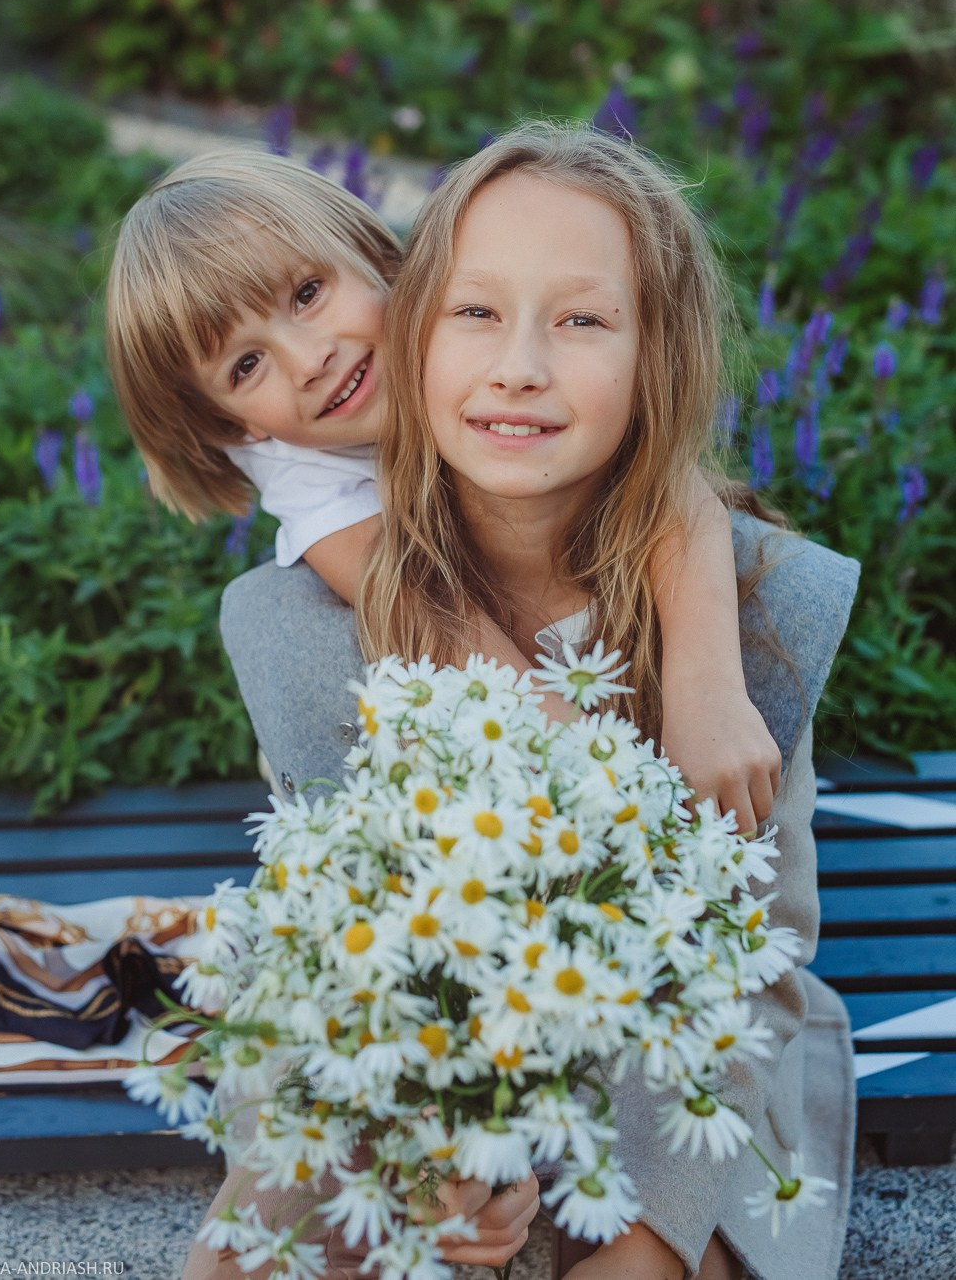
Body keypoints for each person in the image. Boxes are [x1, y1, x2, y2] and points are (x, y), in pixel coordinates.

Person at [203, 122, 857, 1280]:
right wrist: (450, 1137)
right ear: (417, 328)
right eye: (476, 313)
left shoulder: (752, 606)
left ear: (656, 354)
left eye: (583, 320)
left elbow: (751, 953)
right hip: (419, 1032)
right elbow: (354, 955)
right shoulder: (302, 620)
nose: (518, 367)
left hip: (691, 1035)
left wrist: (702, 678)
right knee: (279, 1241)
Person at [106, 147, 781, 830]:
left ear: (379, 255)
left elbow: (670, 482)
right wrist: (613, 790)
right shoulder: (307, 478)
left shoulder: (476, 330)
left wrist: (709, 691)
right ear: (234, 428)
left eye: (308, 294)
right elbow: (442, 626)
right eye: (246, 364)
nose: (310, 361)